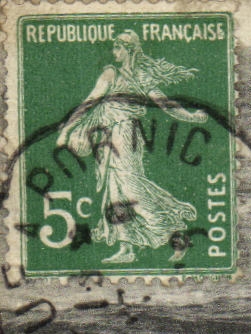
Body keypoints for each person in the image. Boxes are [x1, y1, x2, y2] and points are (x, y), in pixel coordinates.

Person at [54, 30, 207, 264]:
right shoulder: (112, 73)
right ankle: (127, 248)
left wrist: (191, 117)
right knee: (115, 192)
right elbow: (90, 102)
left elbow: (165, 104)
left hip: (126, 134)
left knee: (131, 189)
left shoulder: (137, 76)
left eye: (118, 48)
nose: (114, 52)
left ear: (129, 50)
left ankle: (177, 234)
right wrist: (67, 128)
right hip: (110, 136)